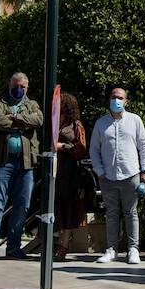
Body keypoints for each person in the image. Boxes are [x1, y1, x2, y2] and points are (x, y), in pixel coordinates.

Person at [0, 72, 43, 264]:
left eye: (22, 86)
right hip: (2, 161)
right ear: (9, 84)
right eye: (16, 85)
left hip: (26, 162)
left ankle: (14, 247)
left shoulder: (32, 104)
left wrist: (14, 117)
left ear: (27, 87)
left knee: (22, 205)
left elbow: (39, 120)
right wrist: (24, 123)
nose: (19, 89)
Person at [90, 85, 145, 265]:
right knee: (112, 213)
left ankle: (133, 249)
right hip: (108, 176)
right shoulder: (101, 123)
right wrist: (100, 172)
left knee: (131, 213)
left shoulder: (135, 120)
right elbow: (94, 150)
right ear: (109, 99)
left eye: (120, 97)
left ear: (126, 101)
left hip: (131, 174)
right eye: (113, 97)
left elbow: (143, 146)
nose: (116, 100)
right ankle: (111, 249)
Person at [53, 92, 90, 260]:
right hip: (54, 171)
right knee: (56, 207)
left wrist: (63, 147)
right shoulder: (54, 123)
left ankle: (63, 245)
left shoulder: (75, 125)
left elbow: (81, 148)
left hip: (69, 172)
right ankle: (57, 241)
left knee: (68, 207)